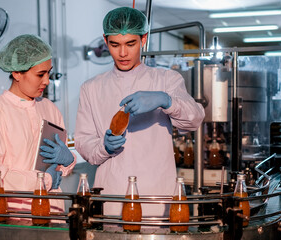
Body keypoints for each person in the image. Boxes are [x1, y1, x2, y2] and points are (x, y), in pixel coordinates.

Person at [74, 7, 205, 217]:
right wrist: (103, 146)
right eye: (115, 45)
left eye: (130, 44)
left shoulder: (166, 80)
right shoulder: (91, 88)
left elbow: (194, 119)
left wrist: (166, 100)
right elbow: (84, 143)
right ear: (105, 41)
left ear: (144, 39)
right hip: (111, 198)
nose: (123, 53)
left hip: (156, 198)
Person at [0, 34, 76, 214]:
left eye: (48, 72)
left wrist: (68, 160)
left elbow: (59, 167)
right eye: (40, 74)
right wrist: (43, 180)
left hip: (51, 209)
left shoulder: (50, 109)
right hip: (10, 214)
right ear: (17, 73)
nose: (47, 81)